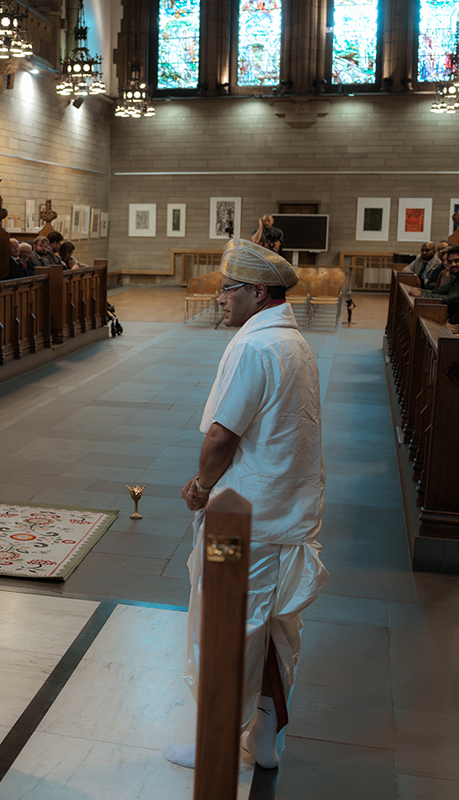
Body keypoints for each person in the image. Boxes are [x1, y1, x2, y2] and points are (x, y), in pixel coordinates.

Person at [166, 239, 327, 772]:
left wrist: (200, 488)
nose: (219, 298)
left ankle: (215, 740)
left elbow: (222, 436)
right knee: (277, 630)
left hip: (244, 518)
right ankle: (263, 735)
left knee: (227, 623)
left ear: (259, 292)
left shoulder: (256, 347)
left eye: (228, 289)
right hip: (287, 513)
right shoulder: (293, 342)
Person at [409, 245, 459, 323]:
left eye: (457, 261)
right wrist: (421, 291)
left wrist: (422, 295)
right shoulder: (455, 278)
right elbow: (439, 291)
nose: (453, 264)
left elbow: (452, 298)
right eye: (450, 261)